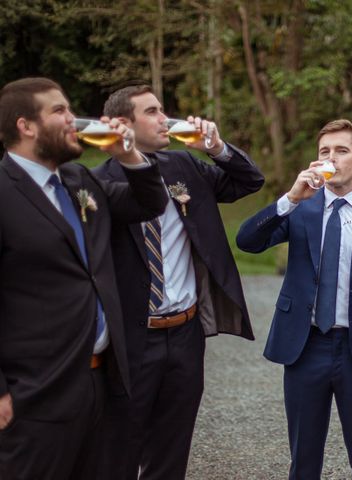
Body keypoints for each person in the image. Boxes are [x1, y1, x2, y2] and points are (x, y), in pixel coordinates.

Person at [93, 85, 264, 480]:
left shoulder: (184, 167)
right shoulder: (99, 182)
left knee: (172, 450)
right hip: (133, 338)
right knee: (119, 449)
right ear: (123, 124)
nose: (163, 119)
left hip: (185, 335)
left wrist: (217, 147)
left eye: (162, 110)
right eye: (152, 111)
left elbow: (248, 182)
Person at [0, 77, 167, 479]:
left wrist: (127, 155)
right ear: (27, 126)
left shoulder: (78, 181)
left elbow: (150, 202)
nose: (73, 119)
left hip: (101, 384)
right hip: (37, 392)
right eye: (59, 111)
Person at [236, 119, 352, 479]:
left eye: (341, 150)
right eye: (324, 151)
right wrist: (290, 198)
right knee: (303, 460)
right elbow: (247, 241)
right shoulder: (301, 209)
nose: (331, 157)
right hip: (305, 347)